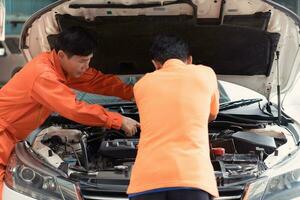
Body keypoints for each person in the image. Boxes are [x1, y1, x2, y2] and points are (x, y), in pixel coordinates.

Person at [0, 26, 139, 198]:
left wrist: (135, 93)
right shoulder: (43, 74)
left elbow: (98, 81)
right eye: (82, 61)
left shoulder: (63, 68)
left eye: (89, 60)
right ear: (61, 55)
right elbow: (73, 108)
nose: (86, 66)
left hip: (11, 137)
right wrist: (118, 120)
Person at [127, 34, 220, 200]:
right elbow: (212, 114)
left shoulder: (141, 84)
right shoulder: (206, 74)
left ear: (155, 64)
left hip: (146, 179)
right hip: (193, 178)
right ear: (189, 60)